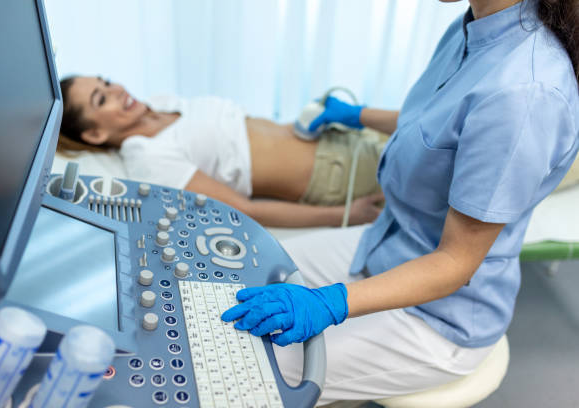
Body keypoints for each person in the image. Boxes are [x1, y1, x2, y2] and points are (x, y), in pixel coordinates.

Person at [221, 0, 579, 404]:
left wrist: (330, 302)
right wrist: (358, 115)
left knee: (241, 370)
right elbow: (439, 119)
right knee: (238, 273)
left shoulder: (526, 94)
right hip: (388, 243)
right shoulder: (475, 29)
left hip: (439, 316)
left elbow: (455, 264)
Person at [58, 76, 390, 228]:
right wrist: (345, 216)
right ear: (95, 133)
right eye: (101, 99)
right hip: (335, 175)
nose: (116, 90)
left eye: (104, 82)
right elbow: (246, 210)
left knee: (429, 130)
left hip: (342, 135)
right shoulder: (148, 159)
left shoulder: (161, 103)